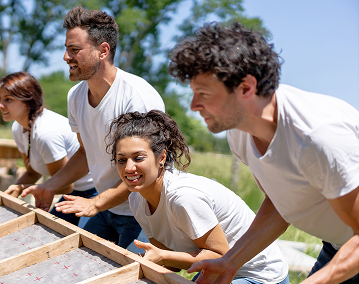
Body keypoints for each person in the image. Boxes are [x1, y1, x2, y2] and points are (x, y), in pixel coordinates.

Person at [168, 22, 359, 284]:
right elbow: (281, 203)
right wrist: (229, 262)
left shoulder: (318, 136)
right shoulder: (239, 132)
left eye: (203, 93)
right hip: (341, 246)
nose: (193, 106)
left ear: (246, 87)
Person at [21, 6, 165, 249]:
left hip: (143, 212)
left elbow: (145, 171)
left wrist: (96, 203)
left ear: (103, 51)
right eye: (66, 49)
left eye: (74, 50)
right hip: (105, 206)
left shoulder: (136, 98)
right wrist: (49, 186)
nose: (66, 57)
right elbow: (85, 153)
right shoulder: (75, 96)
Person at [106, 110, 289, 283]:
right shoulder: (136, 200)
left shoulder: (183, 197)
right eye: (121, 160)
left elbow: (220, 256)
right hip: (214, 271)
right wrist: (149, 259)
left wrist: (162, 257)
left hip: (259, 275)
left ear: (161, 158)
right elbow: (170, 262)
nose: (129, 168)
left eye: (138, 158)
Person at [0, 71, 96, 226]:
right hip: (72, 192)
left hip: (92, 192)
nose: (0, 105)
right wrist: (14, 189)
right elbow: (32, 172)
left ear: (27, 100)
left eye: (8, 99)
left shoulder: (46, 133)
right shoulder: (18, 127)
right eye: (0, 99)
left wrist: (24, 188)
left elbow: (65, 185)